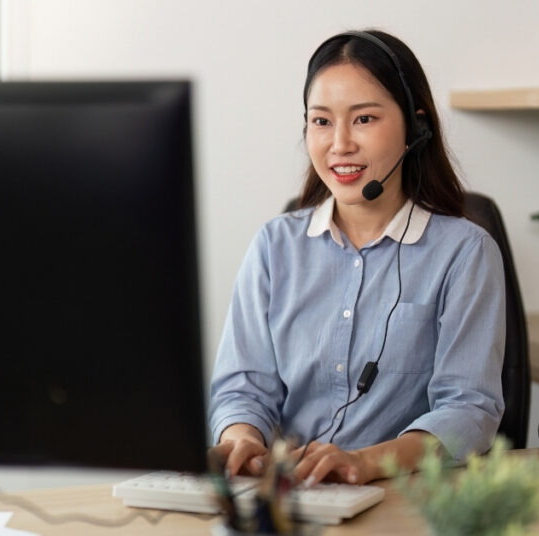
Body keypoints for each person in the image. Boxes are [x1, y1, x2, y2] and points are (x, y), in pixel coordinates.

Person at [207, 29, 506, 487]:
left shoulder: (465, 253)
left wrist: (364, 462)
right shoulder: (274, 247)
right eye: (321, 121)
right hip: (290, 498)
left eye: (363, 119)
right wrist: (241, 437)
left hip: (403, 496)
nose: (339, 144)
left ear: (416, 126)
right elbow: (243, 388)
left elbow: (469, 410)